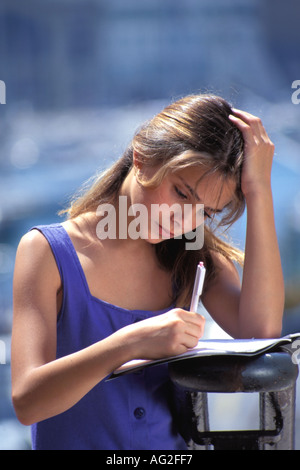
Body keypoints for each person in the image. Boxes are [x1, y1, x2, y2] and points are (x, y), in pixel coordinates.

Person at [11, 94, 284, 450]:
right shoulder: (48, 252)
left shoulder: (190, 251)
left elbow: (260, 330)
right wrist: (130, 343)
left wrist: (259, 188)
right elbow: (27, 401)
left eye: (206, 212)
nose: (184, 220)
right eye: (182, 194)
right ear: (142, 160)